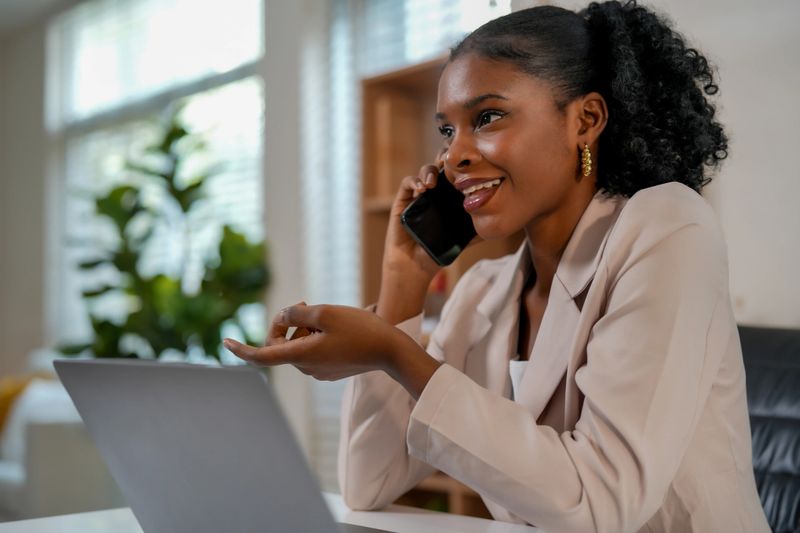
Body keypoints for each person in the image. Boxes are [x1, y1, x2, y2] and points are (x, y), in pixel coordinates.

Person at [223, 2, 771, 531]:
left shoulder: (668, 227)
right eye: (446, 130)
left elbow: (602, 502)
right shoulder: (486, 289)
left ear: (586, 119)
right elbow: (369, 483)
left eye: (487, 117)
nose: (453, 156)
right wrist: (402, 288)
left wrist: (394, 355)